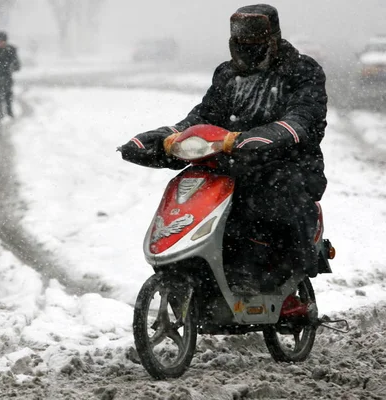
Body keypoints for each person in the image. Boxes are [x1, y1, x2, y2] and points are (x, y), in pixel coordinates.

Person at [118, 4, 328, 295]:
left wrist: (256, 138)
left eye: (254, 39)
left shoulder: (302, 70)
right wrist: (165, 137)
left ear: (273, 36)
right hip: (233, 162)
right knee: (193, 185)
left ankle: (251, 270)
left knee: (255, 193)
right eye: (241, 39)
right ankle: (197, 259)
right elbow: (204, 116)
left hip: (291, 164)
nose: (246, 46)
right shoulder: (227, 74)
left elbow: (302, 118)